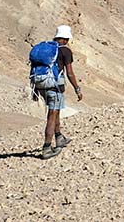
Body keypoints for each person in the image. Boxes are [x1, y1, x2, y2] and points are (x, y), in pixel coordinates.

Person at [39, 24, 83, 159]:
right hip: (55, 87)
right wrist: (77, 88)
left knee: (55, 110)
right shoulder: (65, 51)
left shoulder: (48, 48)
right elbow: (69, 73)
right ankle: (46, 148)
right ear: (65, 39)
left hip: (41, 85)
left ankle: (59, 137)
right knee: (52, 115)